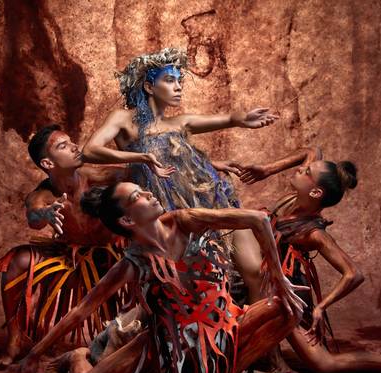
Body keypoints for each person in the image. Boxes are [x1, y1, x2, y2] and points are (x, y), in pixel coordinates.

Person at [17, 182, 308, 373]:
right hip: (165, 343)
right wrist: (35, 354)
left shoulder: (185, 220)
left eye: (144, 190)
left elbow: (257, 219)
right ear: (128, 221)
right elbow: (81, 310)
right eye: (138, 197)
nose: (149, 194)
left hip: (223, 323)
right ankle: (78, 356)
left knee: (290, 309)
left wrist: (279, 279)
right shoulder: (133, 264)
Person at [80, 47, 278, 303]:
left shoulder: (180, 122)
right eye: (170, 80)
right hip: (174, 216)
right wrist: (139, 157)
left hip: (215, 202)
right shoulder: (123, 119)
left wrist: (242, 120)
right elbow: (90, 151)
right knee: (198, 284)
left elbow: (228, 118)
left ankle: (263, 339)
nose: (178, 87)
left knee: (253, 271)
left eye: (179, 81)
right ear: (149, 87)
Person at [239, 148, 381, 373]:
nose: (300, 169)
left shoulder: (314, 233)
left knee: (324, 364)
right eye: (305, 168)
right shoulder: (294, 200)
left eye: (306, 171)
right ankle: (272, 357)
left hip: (291, 294)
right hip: (269, 280)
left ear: (316, 192)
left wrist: (321, 307)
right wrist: (267, 169)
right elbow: (312, 151)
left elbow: (353, 274)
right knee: (257, 279)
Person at [0, 125, 131, 368]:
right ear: (47, 163)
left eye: (71, 142)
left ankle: (140, 341)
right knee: (16, 261)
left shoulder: (95, 175)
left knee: (150, 256)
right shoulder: (43, 195)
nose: (74, 147)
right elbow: (34, 217)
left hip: (114, 256)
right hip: (73, 259)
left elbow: (140, 173)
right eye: (62, 146)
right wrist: (46, 213)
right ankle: (14, 341)